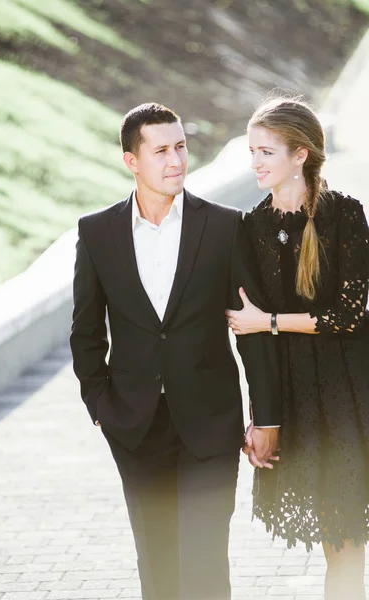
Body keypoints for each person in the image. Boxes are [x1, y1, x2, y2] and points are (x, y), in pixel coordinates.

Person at [69, 102, 281, 600]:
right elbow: (85, 331)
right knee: (158, 567)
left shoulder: (227, 226)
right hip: (135, 426)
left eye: (181, 147)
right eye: (161, 150)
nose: (176, 161)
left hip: (210, 423)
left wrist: (266, 416)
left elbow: (249, 328)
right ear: (131, 160)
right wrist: (101, 407)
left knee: (206, 563)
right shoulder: (97, 233)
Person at [226, 95, 369, 600]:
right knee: (337, 541)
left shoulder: (345, 215)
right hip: (297, 398)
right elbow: (246, 339)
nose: (256, 163)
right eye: (252, 152)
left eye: (266, 151)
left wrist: (267, 321)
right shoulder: (249, 228)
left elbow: (349, 316)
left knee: (349, 541)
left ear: (300, 155)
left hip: (352, 394)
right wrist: (262, 417)